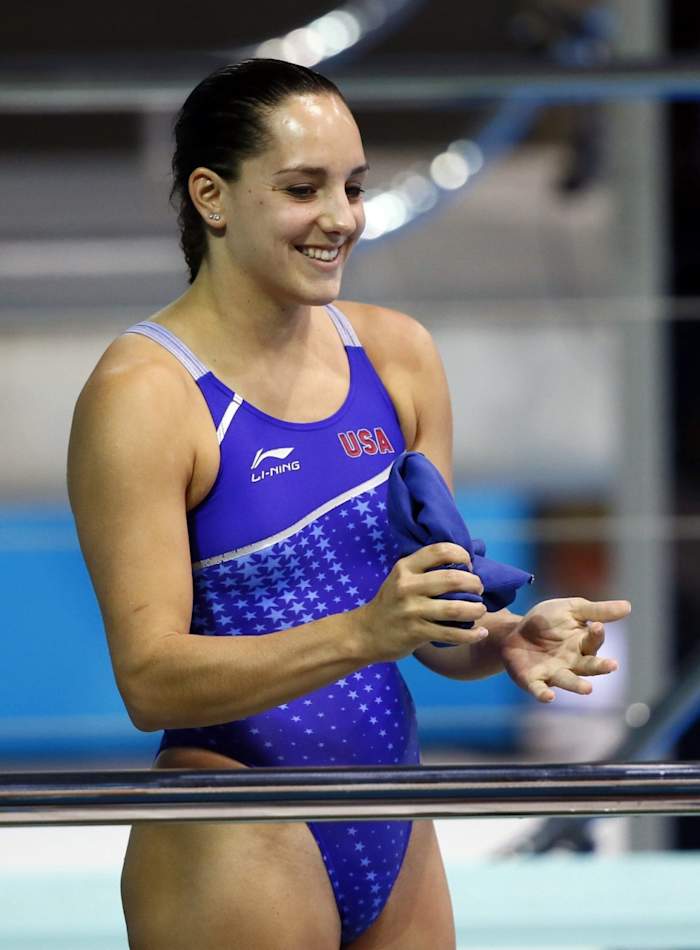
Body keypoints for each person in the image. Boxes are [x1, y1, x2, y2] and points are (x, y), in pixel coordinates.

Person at [67, 59, 631, 950]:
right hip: (236, 820)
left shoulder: (399, 358)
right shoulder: (146, 396)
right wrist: (362, 636)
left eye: (354, 187)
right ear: (211, 197)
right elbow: (150, 679)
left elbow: (434, 630)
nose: (341, 219)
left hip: (391, 807)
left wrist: (501, 638)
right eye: (303, 188)